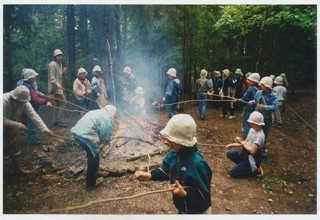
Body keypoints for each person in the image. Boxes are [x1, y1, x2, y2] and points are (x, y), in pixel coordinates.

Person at [135, 114, 212, 214]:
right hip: (183, 208)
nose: (168, 141)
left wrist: (185, 194)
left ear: (182, 141)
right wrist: (150, 175)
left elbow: (203, 197)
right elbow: (166, 171)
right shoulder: (174, 154)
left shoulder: (197, 164)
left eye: (171, 139)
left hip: (198, 212)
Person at [3, 86, 54, 174]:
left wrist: (45, 129)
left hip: (12, 125)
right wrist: (19, 125)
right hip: (6, 123)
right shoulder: (4, 101)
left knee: (13, 144)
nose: (24, 103)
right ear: (15, 99)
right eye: (22, 102)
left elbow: (34, 116)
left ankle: (17, 168)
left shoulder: (25, 103)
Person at [70, 104, 117, 189]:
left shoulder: (95, 111)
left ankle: (94, 174)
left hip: (77, 132)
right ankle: (91, 183)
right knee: (93, 158)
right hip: (87, 136)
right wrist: (107, 141)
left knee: (91, 154)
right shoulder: (107, 118)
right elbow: (104, 134)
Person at [226, 111, 265, 178]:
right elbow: (245, 142)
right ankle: (243, 166)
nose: (251, 125)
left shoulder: (260, 136)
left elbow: (253, 151)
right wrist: (234, 144)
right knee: (229, 153)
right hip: (244, 154)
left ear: (258, 124)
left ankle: (253, 170)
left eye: (253, 124)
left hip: (251, 158)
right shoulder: (252, 130)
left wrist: (241, 143)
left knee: (234, 173)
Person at [22, 68, 53, 145]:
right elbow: (35, 98)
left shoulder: (27, 85)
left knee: (33, 123)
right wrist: (46, 102)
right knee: (32, 123)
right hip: (31, 107)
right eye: (34, 76)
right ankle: (32, 141)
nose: (35, 77)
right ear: (30, 77)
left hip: (31, 107)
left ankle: (33, 137)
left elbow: (35, 95)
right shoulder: (29, 86)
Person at [249, 76, 278, 156]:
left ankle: (261, 148)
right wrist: (253, 101)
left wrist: (265, 107)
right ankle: (252, 146)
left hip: (266, 118)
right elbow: (255, 100)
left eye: (262, 85)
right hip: (257, 118)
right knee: (254, 131)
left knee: (264, 134)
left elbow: (275, 107)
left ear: (268, 86)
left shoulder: (273, 96)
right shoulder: (258, 93)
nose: (260, 86)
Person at [234, 73, 260, 139]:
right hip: (254, 109)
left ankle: (246, 137)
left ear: (254, 82)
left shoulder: (250, 89)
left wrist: (237, 100)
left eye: (250, 80)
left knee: (246, 123)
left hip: (248, 109)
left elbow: (244, 99)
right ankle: (251, 137)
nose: (248, 81)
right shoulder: (258, 89)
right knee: (252, 123)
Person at [48, 49, 67, 127]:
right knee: (63, 102)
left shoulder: (60, 64)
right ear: (55, 57)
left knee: (57, 104)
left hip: (59, 88)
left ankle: (56, 121)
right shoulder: (52, 64)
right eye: (58, 56)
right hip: (54, 88)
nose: (60, 57)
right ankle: (61, 121)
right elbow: (52, 78)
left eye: (61, 56)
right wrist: (58, 85)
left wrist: (62, 72)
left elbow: (59, 76)